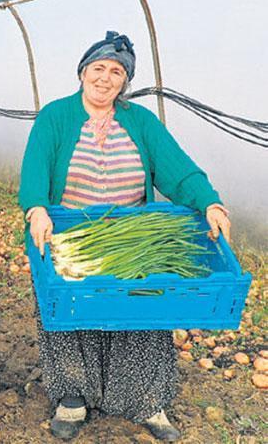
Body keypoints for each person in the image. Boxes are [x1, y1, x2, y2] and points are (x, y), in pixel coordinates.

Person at [19, 31, 231, 442]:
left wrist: (209, 202)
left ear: (125, 82)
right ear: (82, 72)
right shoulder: (55, 116)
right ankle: (72, 398)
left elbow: (178, 169)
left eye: (116, 72)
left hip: (135, 239)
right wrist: (36, 208)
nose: (105, 78)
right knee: (69, 320)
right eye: (98, 68)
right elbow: (35, 170)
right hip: (71, 241)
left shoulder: (140, 122)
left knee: (144, 319)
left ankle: (148, 403)